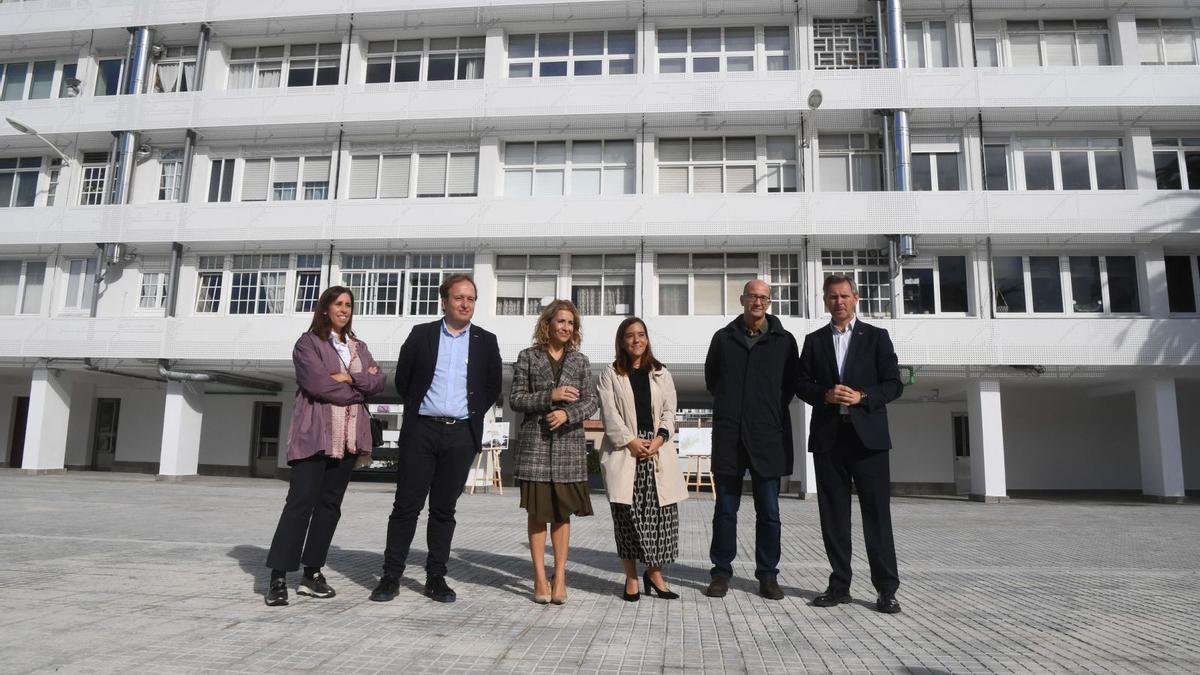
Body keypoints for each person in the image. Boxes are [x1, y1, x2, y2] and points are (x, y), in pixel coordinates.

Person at [370, 274, 502, 603]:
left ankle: (436, 577)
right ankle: (390, 576)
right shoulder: (422, 335)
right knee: (406, 507)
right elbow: (404, 379)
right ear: (444, 301)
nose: (465, 303)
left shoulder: (486, 341)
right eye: (459, 297)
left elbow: (492, 387)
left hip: (460, 434)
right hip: (422, 431)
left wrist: (467, 414)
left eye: (471, 298)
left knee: (444, 510)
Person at [264, 286, 386, 607]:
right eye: (338, 304)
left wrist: (347, 379)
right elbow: (318, 384)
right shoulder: (308, 344)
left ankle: (312, 573)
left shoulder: (359, 346)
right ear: (325, 308)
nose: (344, 309)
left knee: (330, 505)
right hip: (314, 436)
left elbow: (379, 381)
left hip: (348, 439)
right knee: (300, 503)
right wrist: (357, 386)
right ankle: (278, 575)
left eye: (348, 305)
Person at [796, 274, 905, 614]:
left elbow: (893, 384)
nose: (838, 302)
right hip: (830, 438)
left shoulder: (876, 337)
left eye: (844, 296)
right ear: (825, 301)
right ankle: (839, 584)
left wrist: (863, 396)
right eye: (832, 297)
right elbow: (800, 383)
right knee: (833, 517)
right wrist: (824, 395)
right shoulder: (813, 341)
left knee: (876, 516)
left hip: (868, 440)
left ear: (856, 298)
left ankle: (886, 589)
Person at [703, 279, 799, 600]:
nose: (757, 302)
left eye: (763, 297)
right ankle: (720, 572)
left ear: (769, 303)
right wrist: (736, 410)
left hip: (767, 438)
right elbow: (713, 380)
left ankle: (768, 575)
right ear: (742, 299)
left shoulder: (784, 341)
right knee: (725, 510)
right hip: (730, 437)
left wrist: (764, 412)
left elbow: (788, 387)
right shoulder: (723, 339)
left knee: (769, 512)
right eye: (752, 296)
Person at [509, 299, 598, 605]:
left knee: (562, 515)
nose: (565, 327)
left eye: (571, 323)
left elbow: (591, 401)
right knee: (537, 514)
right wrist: (551, 396)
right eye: (560, 321)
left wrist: (568, 414)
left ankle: (560, 576)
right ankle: (538, 576)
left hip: (569, 447)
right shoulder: (528, 357)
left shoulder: (581, 361)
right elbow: (517, 399)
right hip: (536, 446)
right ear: (547, 324)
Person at [595, 317, 687, 602]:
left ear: (647, 339)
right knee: (627, 517)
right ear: (622, 341)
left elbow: (670, 411)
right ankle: (632, 577)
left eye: (641, 335)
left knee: (661, 519)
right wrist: (632, 441)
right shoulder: (610, 373)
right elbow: (609, 414)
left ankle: (655, 573)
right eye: (630, 336)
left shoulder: (661, 372)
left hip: (657, 450)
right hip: (626, 451)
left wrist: (658, 439)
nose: (637, 340)